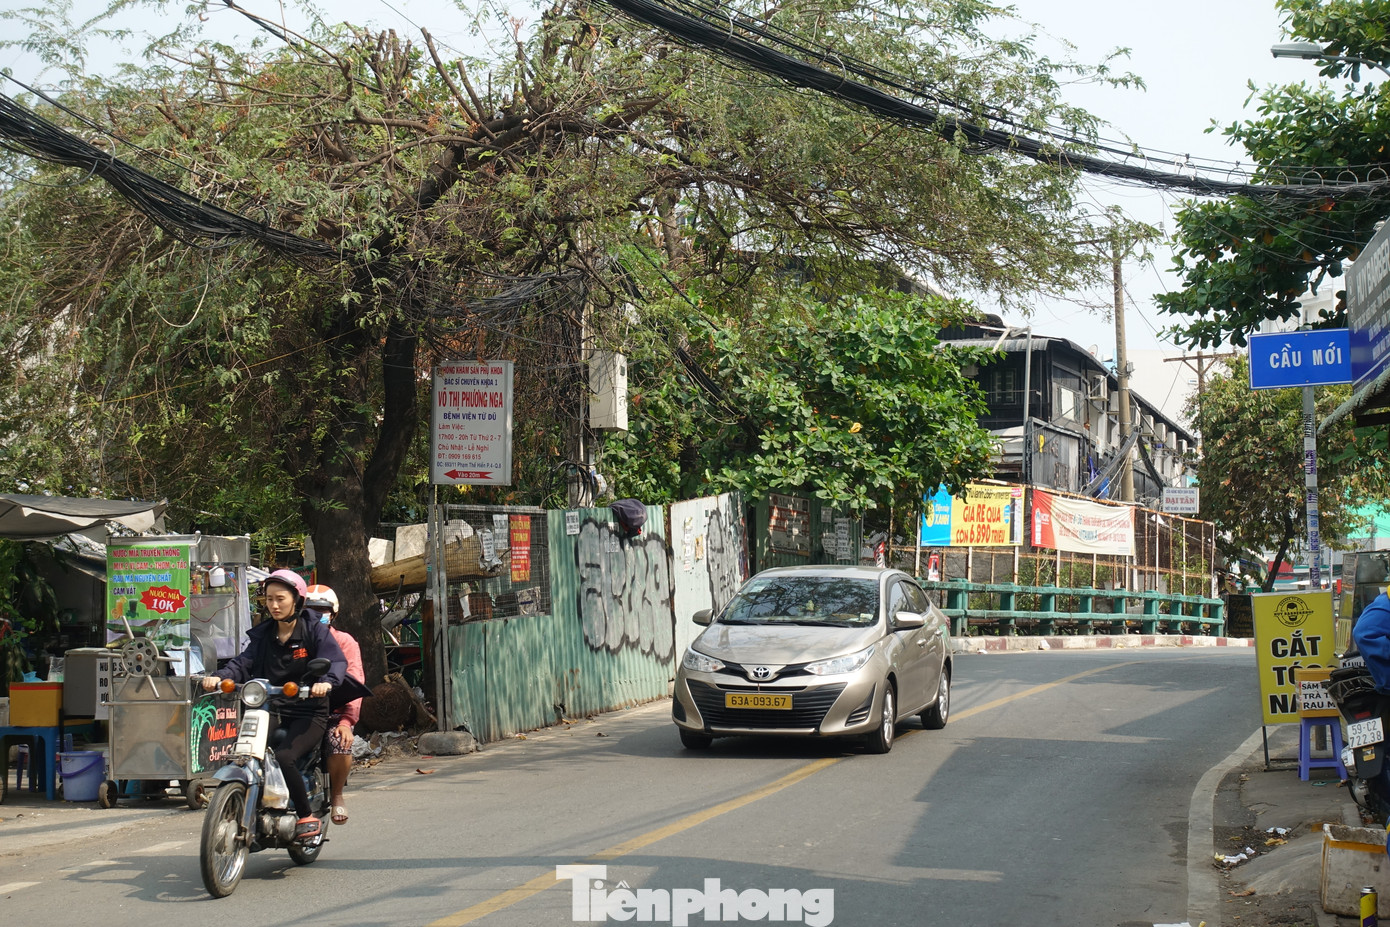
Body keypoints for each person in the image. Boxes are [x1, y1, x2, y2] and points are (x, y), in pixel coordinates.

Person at [201, 569, 346, 840]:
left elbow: (335, 661)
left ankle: (305, 815)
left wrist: (325, 682)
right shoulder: (263, 634)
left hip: (309, 710)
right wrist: (219, 678)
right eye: (269, 599)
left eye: (280, 598)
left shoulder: (314, 630)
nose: (274, 605)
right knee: (245, 753)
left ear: (297, 600)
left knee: (284, 757)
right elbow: (242, 664)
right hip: (270, 707)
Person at [304, 583, 364, 826]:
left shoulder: (345, 642)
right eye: (310, 610)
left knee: (340, 742)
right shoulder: (294, 637)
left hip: (333, 712)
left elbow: (356, 682)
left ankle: (337, 793)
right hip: (296, 709)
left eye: (322, 610)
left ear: (333, 613)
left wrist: (347, 722)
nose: (317, 615)